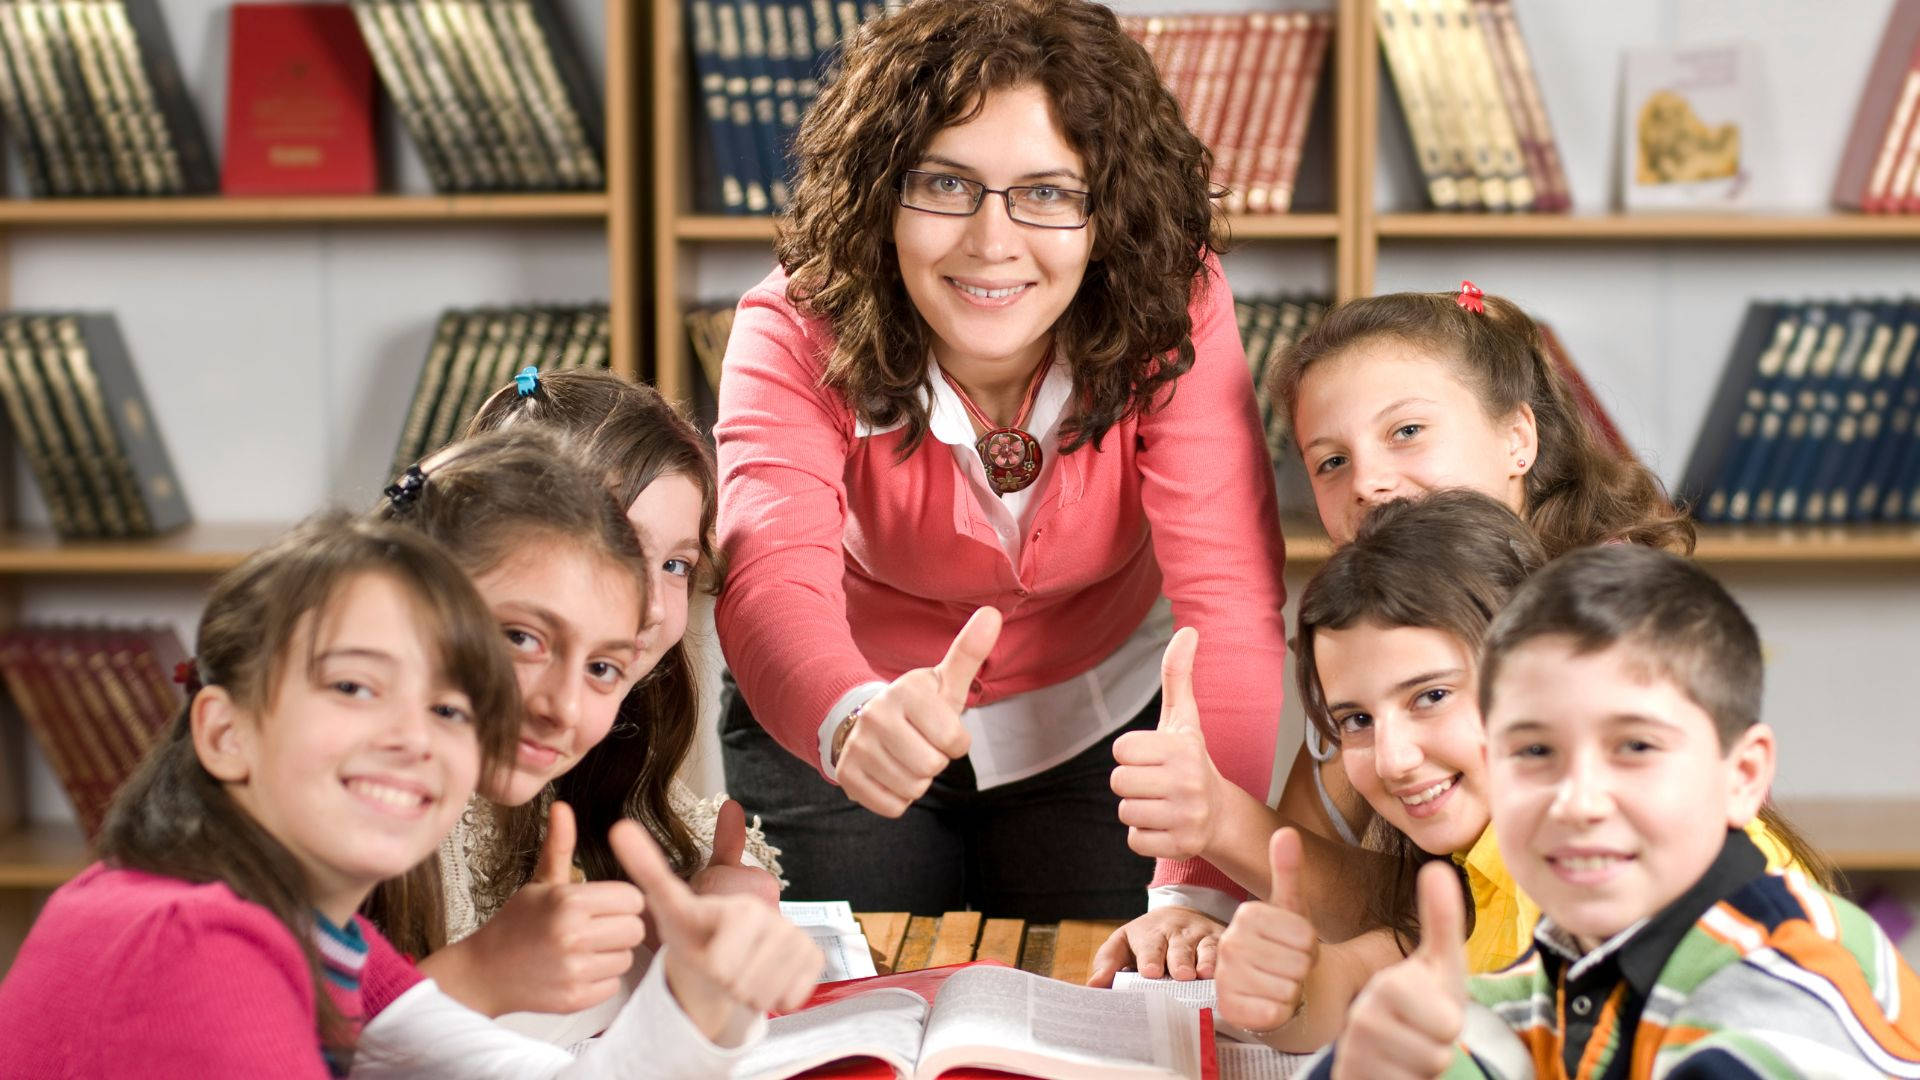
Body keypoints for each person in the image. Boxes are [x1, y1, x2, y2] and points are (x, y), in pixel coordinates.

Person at [714, 0, 1289, 918]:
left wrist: (1199, 887)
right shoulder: (794, 324)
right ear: (878, 190)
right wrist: (846, 715)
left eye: (1049, 192)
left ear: (1111, 210)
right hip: (852, 708)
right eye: (944, 185)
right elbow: (768, 575)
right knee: (852, 1012)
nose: (991, 242)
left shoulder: (1169, 302)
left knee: (1100, 1011)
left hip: (1098, 716)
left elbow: (1230, 601)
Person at [0, 515, 810, 1078]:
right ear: (225, 732)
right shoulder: (193, 945)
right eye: (355, 686)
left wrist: (697, 999)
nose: (414, 738)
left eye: (451, 708)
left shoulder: (318, 931)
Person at [1095, 282, 1700, 978]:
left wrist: (1229, 825)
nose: (1369, 483)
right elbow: (1319, 885)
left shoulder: (1609, 634)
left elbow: (1473, 925)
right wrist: (1198, 914)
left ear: (1517, 438)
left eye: (1406, 432)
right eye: (1331, 461)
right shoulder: (1377, 630)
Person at [1203, 493, 1822, 1053]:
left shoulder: (1619, 859)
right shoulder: (1487, 870)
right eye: (1356, 719)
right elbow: (1362, 977)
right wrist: (1288, 987)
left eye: (1432, 696)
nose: (1392, 759)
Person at [1311, 545, 1920, 1079]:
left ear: (1743, 775)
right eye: (1535, 751)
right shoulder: (1570, 959)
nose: (1576, 801)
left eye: (1634, 747)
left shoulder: (1792, 982)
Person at [360, 431, 812, 1050]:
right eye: (522, 639)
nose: (563, 708)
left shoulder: (570, 765)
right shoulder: (345, 816)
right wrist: (479, 976)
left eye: (604, 668)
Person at [467, 367, 781, 904]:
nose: (654, 608)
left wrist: (724, 887)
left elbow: (688, 841)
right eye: (621, 550)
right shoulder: (420, 797)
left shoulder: (607, 755)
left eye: (677, 565)